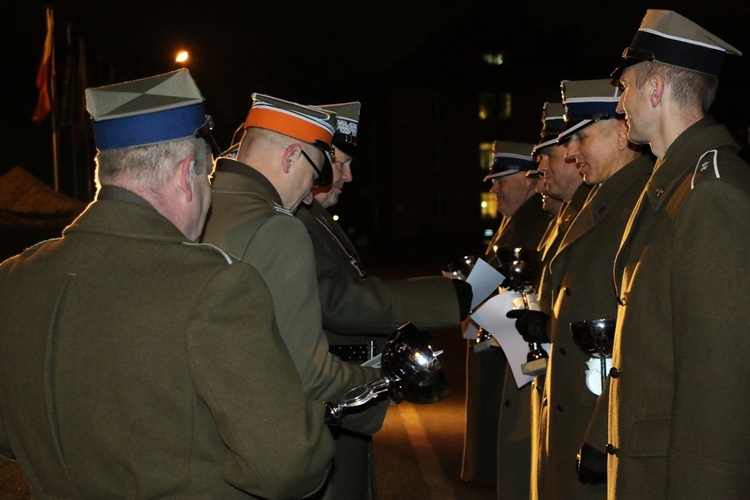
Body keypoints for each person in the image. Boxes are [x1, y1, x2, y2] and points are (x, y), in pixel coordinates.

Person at [0, 69, 334, 499]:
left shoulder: (13, 278)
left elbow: (10, 435)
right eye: (207, 178)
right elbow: (288, 466)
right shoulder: (216, 286)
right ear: (185, 174)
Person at [201, 93, 389, 498]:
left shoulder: (199, 206)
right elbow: (306, 372)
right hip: (263, 450)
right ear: (290, 157)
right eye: (315, 175)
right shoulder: (277, 229)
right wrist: (379, 387)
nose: (310, 194)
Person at [606, 9, 750, 497]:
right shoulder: (676, 182)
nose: (619, 102)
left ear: (656, 89)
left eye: (624, 86)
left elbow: (720, 387)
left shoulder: (713, 194)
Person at [297, 101, 471, 498]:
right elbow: (339, 301)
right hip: (328, 402)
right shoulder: (296, 224)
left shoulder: (313, 220)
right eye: (339, 164)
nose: (349, 176)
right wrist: (451, 298)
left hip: (341, 403)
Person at [514, 78, 654, 498]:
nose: (572, 153)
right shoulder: (602, 198)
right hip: (573, 407)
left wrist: (601, 430)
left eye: (582, 137)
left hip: (598, 419)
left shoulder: (639, 202)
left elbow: (641, 334)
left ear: (622, 134)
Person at [462, 141, 550, 499]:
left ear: (530, 181)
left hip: (517, 369)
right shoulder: (516, 222)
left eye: (502, 179)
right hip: (507, 364)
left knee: (519, 470)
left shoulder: (533, 222)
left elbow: (487, 289)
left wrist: (464, 299)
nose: (493, 187)